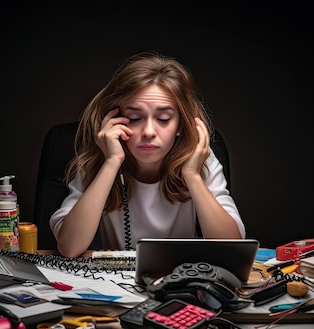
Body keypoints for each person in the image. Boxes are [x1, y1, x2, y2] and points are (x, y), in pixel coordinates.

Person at [50, 51, 246, 258]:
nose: (149, 132)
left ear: (180, 125)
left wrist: (193, 176)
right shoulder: (98, 160)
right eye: (134, 117)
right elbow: (69, 247)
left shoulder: (200, 160)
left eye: (163, 118)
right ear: (114, 119)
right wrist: (111, 163)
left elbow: (231, 249)